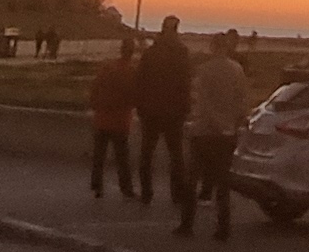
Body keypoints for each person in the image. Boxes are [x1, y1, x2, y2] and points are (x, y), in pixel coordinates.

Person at [177, 32, 249, 240]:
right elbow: (242, 101)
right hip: (226, 133)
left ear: (212, 47)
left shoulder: (204, 70)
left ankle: (187, 224)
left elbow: (201, 102)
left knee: (192, 179)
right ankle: (223, 227)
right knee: (222, 183)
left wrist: (207, 121)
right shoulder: (237, 70)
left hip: (204, 131)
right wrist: (233, 123)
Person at [130, 17, 193, 211]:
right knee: (176, 154)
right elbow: (185, 83)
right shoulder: (181, 52)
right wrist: (185, 108)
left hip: (151, 110)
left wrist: (140, 106)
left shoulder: (151, 52)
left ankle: (146, 193)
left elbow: (140, 81)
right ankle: (177, 193)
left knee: (147, 153)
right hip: (173, 112)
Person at [87, 38, 143, 200]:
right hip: (120, 119)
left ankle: (97, 186)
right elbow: (134, 96)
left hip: (102, 117)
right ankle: (126, 189)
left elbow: (95, 88)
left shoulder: (107, 68)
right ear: (132, 52)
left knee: (99, 155)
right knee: (122, 157)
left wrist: (95, 105)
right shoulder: (131, 72)